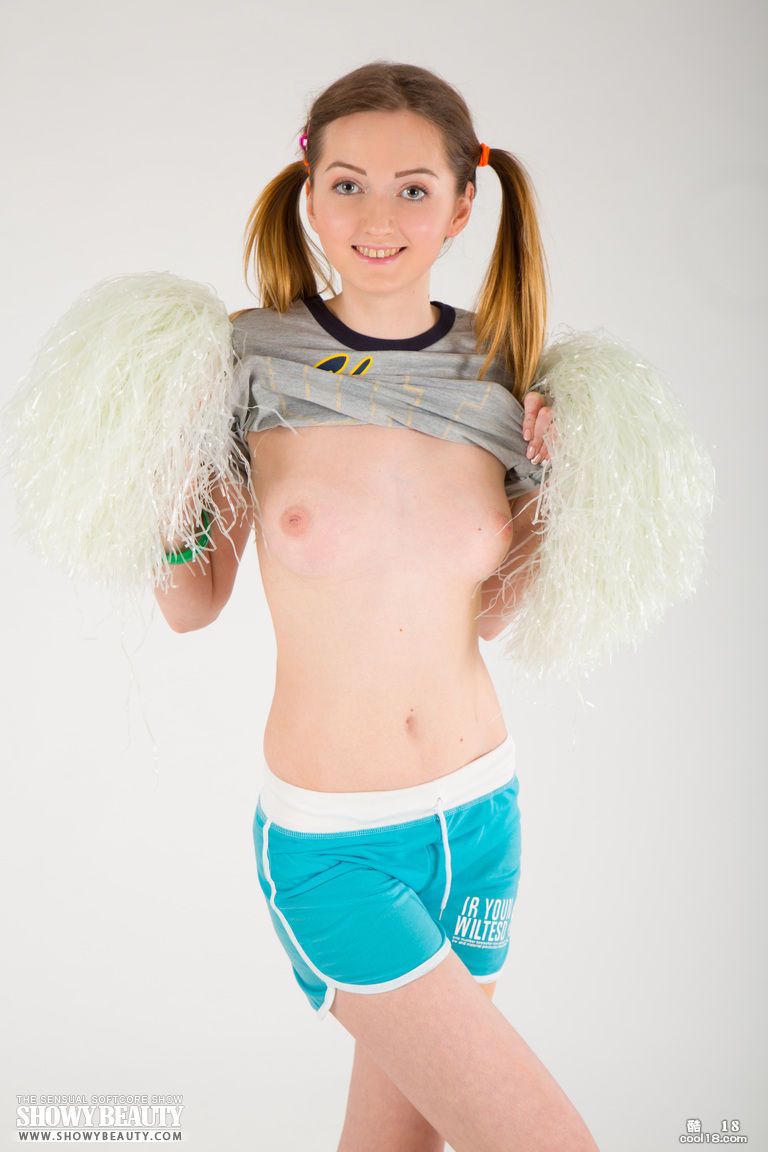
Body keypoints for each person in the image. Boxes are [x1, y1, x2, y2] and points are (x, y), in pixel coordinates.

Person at [153, 61, 598, 1152]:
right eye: (348, 184)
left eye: (412, 188)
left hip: (482, 815)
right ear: (309, 193)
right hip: (336, 844)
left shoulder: (502, 373)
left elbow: (488, 614)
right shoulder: (246, 360)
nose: (377, 217)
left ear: (463, 205)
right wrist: (154, 467)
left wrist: (557, 485)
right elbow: (190, 603)